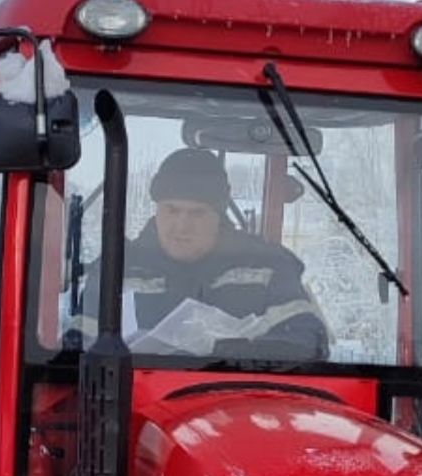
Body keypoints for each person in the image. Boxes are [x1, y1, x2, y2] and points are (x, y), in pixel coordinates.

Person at [81, 147, 329, 358]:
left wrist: (222, 350)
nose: (181, 226)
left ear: (218, 216)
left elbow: (308, 342)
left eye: (197, 213)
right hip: (132, 402)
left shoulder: (268, 269)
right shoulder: (116, 270)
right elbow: (78, 349)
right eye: (171, 210)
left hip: (236, 400)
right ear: (157, 210)